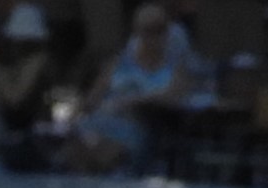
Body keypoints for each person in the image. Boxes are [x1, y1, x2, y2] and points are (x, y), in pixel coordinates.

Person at [71, 0, 210, 163]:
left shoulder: (175, 69)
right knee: (81, 139)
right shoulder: (117, 64)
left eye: (161, 29)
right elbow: (91, 100)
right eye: (150, 30)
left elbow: (172, 97)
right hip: (99, 124)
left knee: (103, 148)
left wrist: (130, 101)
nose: (156, 36)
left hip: (137, 129)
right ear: (138, 32)